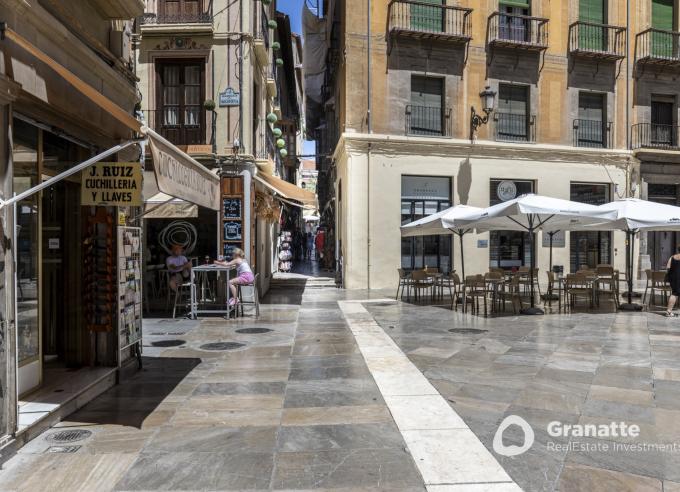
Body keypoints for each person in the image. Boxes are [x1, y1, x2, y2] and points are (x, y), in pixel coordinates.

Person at [666, 246, 680, 316]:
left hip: (673, 278)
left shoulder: (672, 257)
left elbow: (668, 268)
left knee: (674, 293)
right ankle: (668, 311)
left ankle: (669, 311)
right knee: (675, 294)